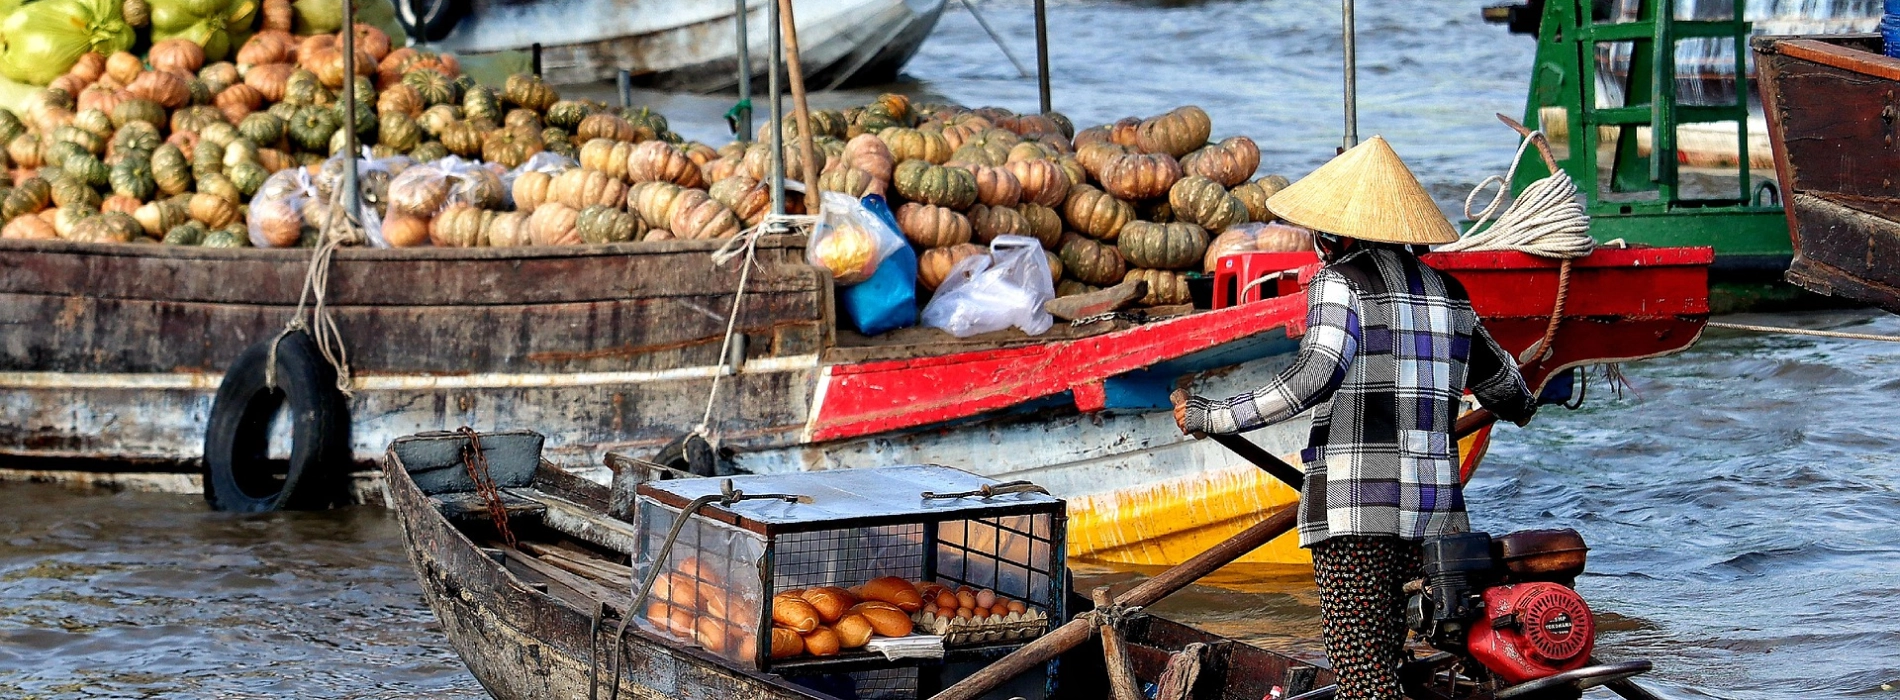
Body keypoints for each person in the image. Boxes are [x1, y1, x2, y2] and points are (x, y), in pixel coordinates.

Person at [1169, 136, 1537, 700]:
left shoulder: (1339, 282)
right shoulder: (1452, 293)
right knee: (1413, 666)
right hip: (1436, 523)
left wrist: (1212, 415)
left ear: (1334, 234)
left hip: (1356, 517)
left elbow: (1313, 378)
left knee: (1365, 682)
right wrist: (1531, 400)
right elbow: (1508, 391)